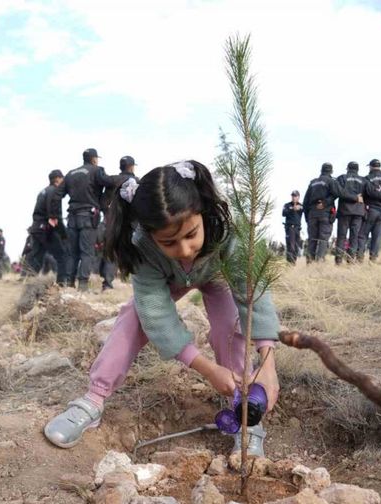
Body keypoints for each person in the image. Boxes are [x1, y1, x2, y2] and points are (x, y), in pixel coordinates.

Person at [44, 161, 280, 456]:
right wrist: (207, 369)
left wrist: (267, 362)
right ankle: (92, 400)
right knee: (133, 317)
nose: (183, 250)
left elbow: (252, 293)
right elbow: (156, 314)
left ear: (202, 214)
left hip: (215, 275)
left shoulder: (227, 229)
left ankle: (243, 408)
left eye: (191, 234)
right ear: (150, 234)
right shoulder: (141, 245)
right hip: (169, 279)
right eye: (169, 242)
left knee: (229, 325)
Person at [50, 148, 114, 291]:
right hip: (88, 218)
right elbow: (109, 182)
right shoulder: (97, 171)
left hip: (72, 218)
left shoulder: (71, 174)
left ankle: (69, 284)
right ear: (93, 159)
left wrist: (54, 215)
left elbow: (56, 195)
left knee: (72, 253)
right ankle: (83, 286)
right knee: (87, 252)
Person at [98, 156, 138, 290]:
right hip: (130, 223)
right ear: (132, 167)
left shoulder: (111, 180)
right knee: (134, 251)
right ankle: (135, 283)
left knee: (111, 251)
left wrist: (106, 213)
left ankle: (107, 284)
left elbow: (103, 200)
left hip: (111, 221)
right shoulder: (137, 181)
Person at [25, 170, 70, 285]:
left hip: (37, 229)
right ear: (58, 179)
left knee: (37, 257)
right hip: (47, 229)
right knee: (62, 255)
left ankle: (30, 281)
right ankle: (62, 283)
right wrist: (64, 235)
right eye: (62, 178)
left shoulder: (43, 191)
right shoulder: (55, 191)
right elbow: (54, 216)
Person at [302, 163, 349, 263]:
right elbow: (340, 193)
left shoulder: (313, 182)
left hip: (312, 214)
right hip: (325, 213)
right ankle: (319, 261)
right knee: (323, 239)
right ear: (331, 171)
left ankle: (309, 262)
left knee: (312, 239)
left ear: (321, 170)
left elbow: (305, 201)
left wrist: (307, 217)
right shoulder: (331, 181)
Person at [356, 159, 381, 262]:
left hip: (371, 209)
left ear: (370, 167)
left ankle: (360, 257)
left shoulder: (367, 178)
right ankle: (373, 258)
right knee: (377, 236)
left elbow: (365, 193)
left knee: (363, 234)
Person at [333, 162, 366, 265]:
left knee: (341, 236)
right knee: (354, 237)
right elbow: (370, 193)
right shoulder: (364, 180)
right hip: (358, 212)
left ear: (347, 168)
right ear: (358, 169)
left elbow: (339, 192)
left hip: (344, 211)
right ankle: (351, 260)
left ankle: (338, 260)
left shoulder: (342, 178)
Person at [280, 190, 303, 264]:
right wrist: (292, 209)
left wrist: (299, 208)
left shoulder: (301, 206)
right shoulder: (287, 205)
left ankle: (293, 263)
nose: (294, 197)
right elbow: (283, 213)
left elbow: (306, 211)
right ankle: (290, 263)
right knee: (291, 246)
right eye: (293, 196)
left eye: (295, 196)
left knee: (296, 247)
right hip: (290, 228)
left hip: (298, 228)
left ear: (298, 197)